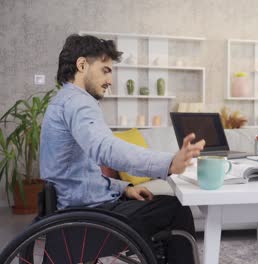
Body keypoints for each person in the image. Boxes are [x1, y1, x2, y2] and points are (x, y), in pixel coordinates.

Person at [40, 34, 205, 264]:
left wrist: (123, 188)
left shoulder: (62, 101)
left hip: (74, 211)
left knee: (159, 204)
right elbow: (105, 148)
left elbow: (80, 176)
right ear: (82, 65)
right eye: (106, 70)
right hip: (87, 219)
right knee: (176, 210)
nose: (110, 80)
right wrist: (168, 163)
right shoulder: (79, 102)